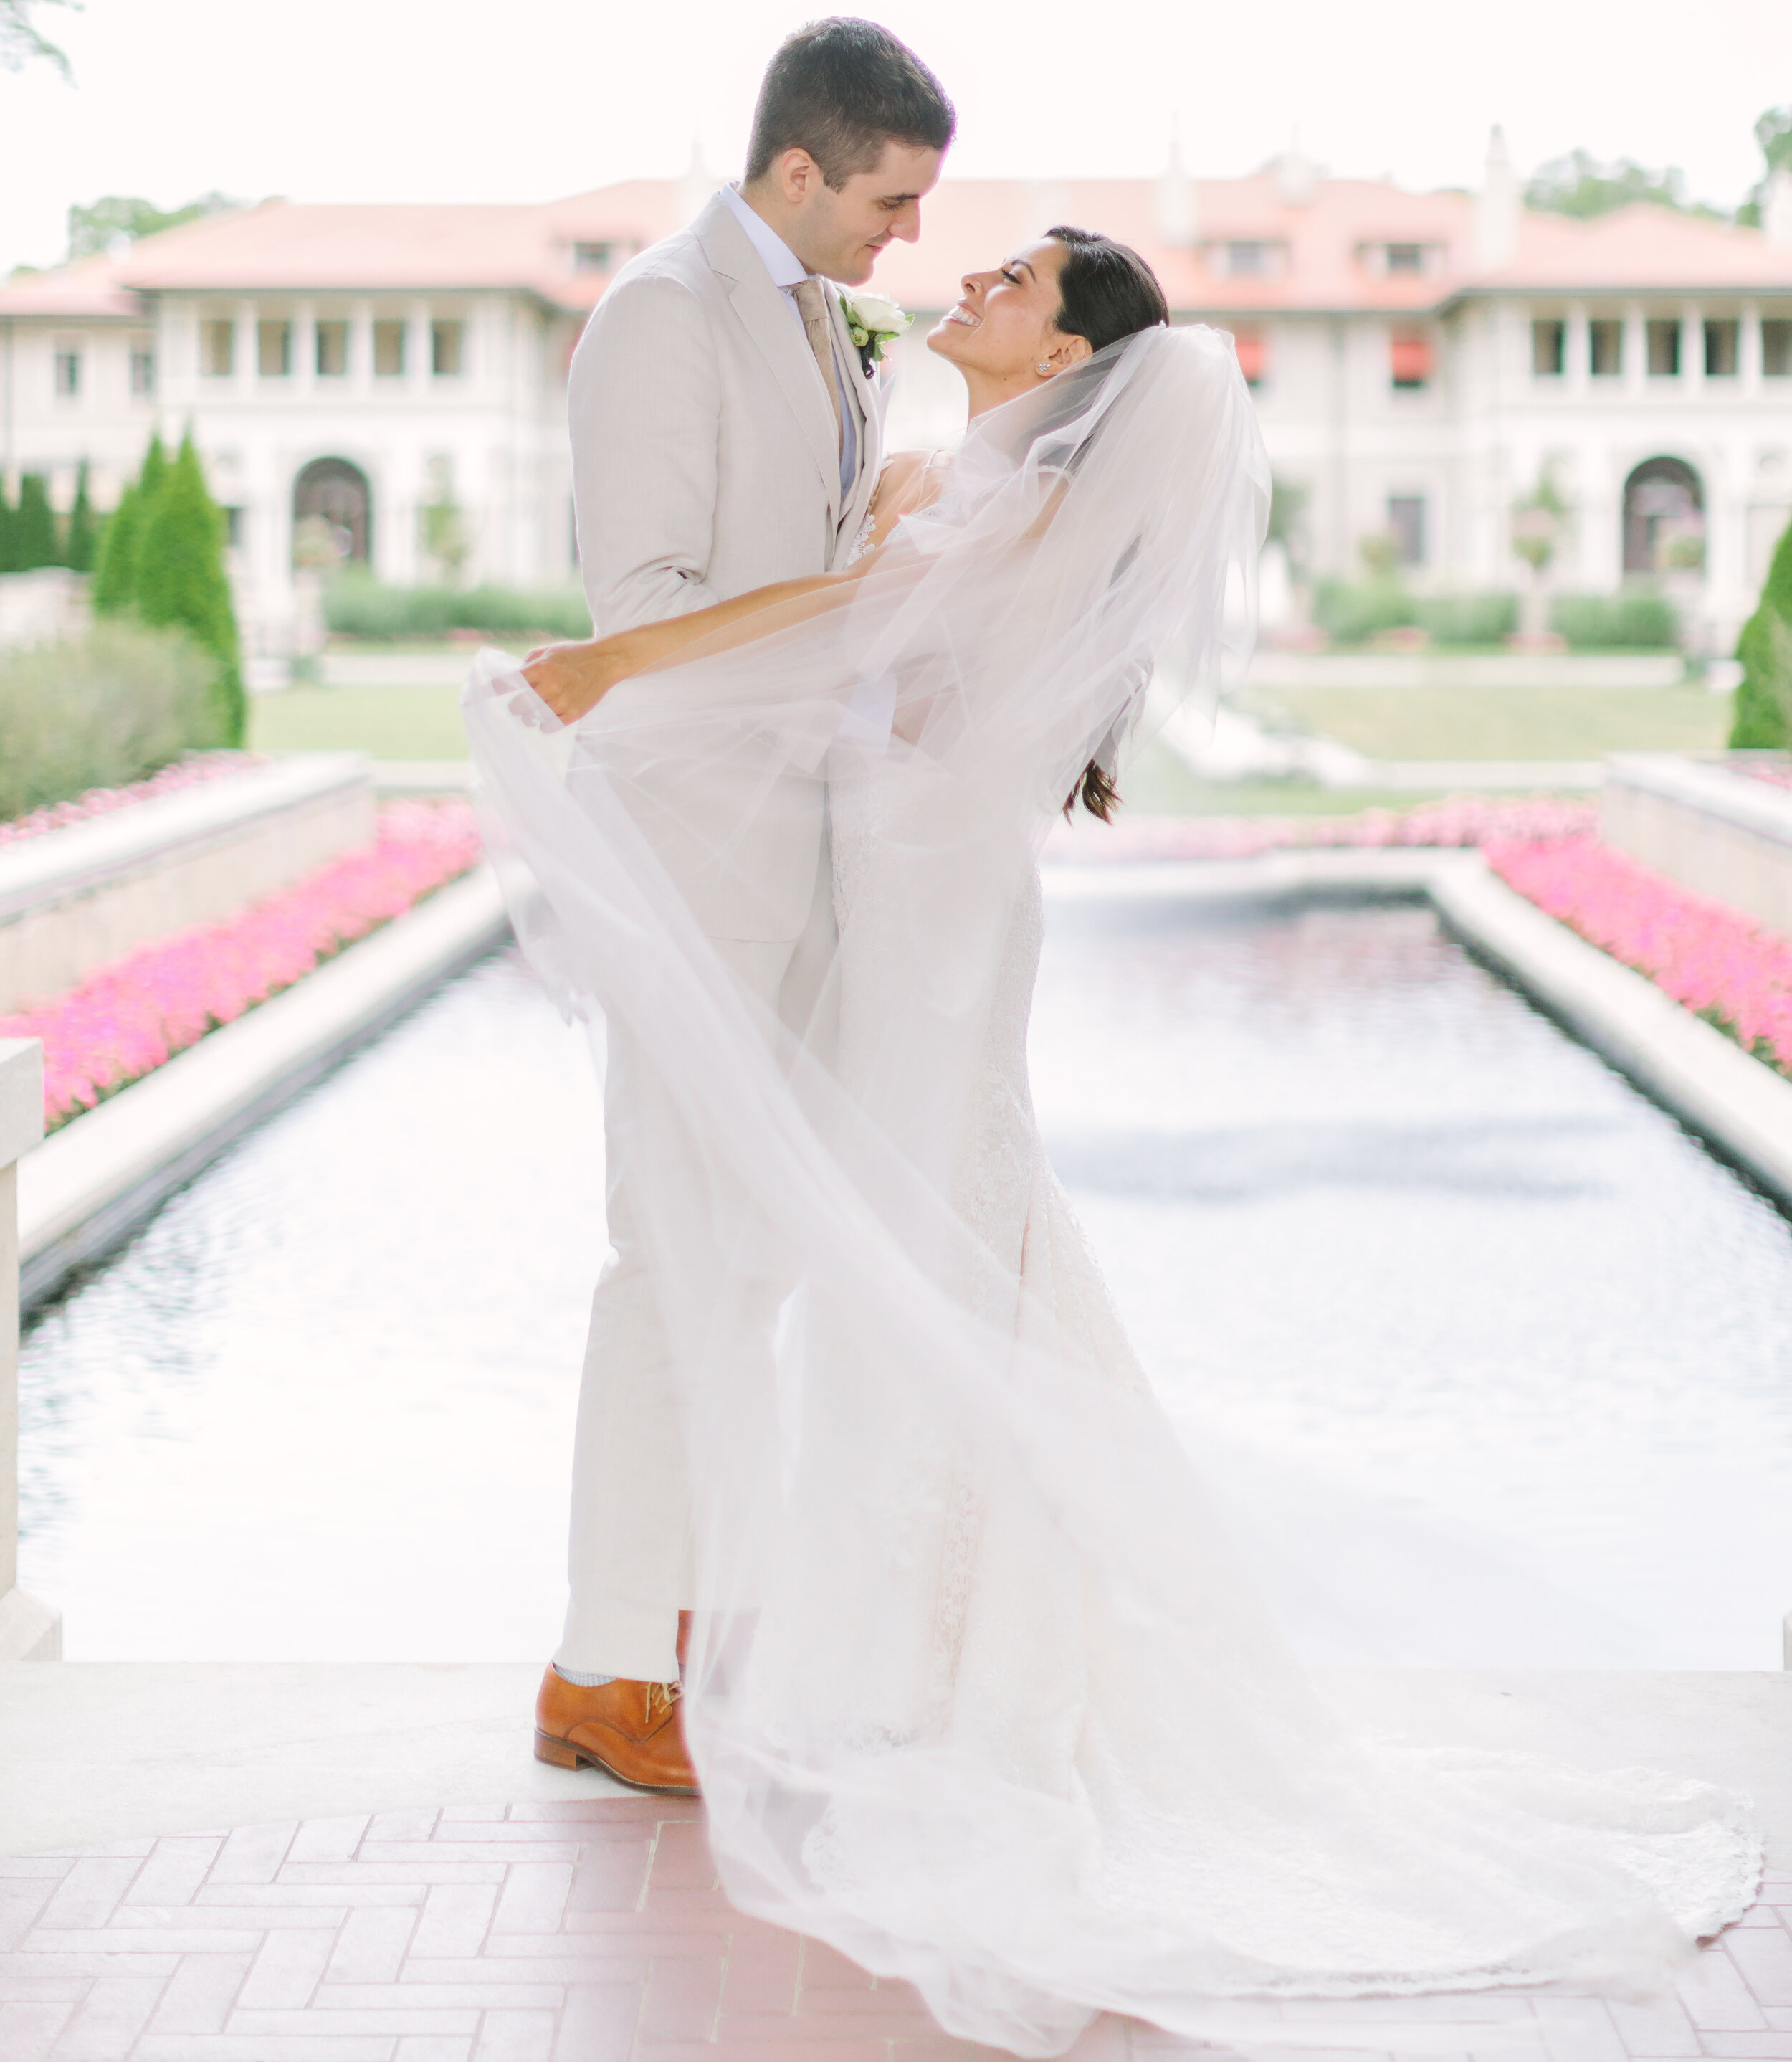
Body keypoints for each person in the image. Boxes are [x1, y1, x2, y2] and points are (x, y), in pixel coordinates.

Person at [468, 222, 1758, 2056]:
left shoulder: (1026, 518)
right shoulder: (948, 474)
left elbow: (838, 633)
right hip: (876, 904)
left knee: (932, 1253)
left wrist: (614, 667)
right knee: (905, 1274)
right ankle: (888, 1654)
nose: (971, 276)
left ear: (1065, 360)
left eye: (1009, 279)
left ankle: (949, 1678)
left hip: (929, 926)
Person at [523, 15, 955, 1792]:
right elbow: (638, 620)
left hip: (799, 851)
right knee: (670, 1252)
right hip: (695, 851)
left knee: (755, 1254)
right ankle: (604, 1666)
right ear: (795, 168)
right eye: (888, 200)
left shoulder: (814, 322)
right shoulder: (662, 318)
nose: (906, 239)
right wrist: (860, 596)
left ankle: (695, 1617)